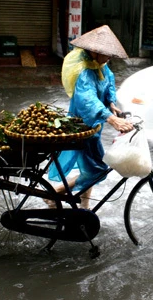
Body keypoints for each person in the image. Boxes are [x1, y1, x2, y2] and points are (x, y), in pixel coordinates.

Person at [48, 25, 134, 209]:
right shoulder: (85, 72)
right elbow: (87, 100)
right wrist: (111, 119)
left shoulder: (100, 66)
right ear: (94, 51)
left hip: (94, 125)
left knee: (90, 166)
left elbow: (109, 82)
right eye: (106, 53)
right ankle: (53, 195)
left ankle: (85, 207)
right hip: (83, 125)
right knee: (97, 169)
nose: (109, 57)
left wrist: (111, 103)